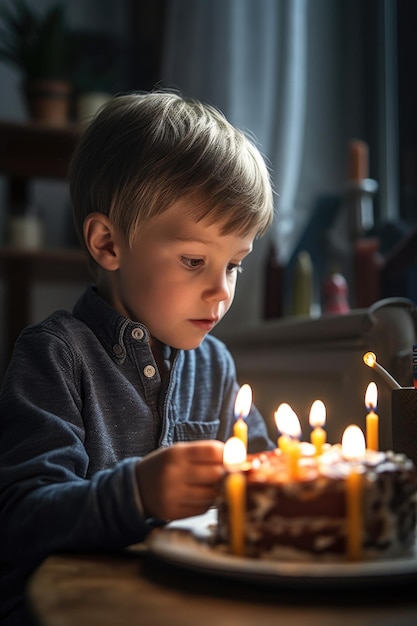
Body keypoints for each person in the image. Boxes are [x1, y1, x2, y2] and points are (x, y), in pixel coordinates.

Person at [0, 91, 275, 625]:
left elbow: (261, 481)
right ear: (107, 244)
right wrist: (137, 493)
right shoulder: (55, 356)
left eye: (234, 265)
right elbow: (20, 518)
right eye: (195, 260)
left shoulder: (214, 366)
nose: (221, 292)